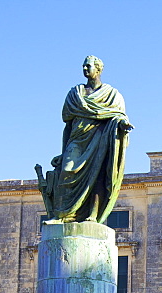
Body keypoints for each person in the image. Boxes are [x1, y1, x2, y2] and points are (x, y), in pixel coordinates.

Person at [48, 55, 133, 224]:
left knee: (97, 177)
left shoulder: (112, 95)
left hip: (100, 140)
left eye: (88, 66)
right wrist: (63, 151)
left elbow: (118, 117)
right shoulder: (75, 94)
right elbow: (68, 126)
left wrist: (122, 124)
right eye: (83, 67)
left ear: (98, 69)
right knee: (66, 172)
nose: (85, 69)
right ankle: (63, 216)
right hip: (77, 140)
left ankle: (92, 216)